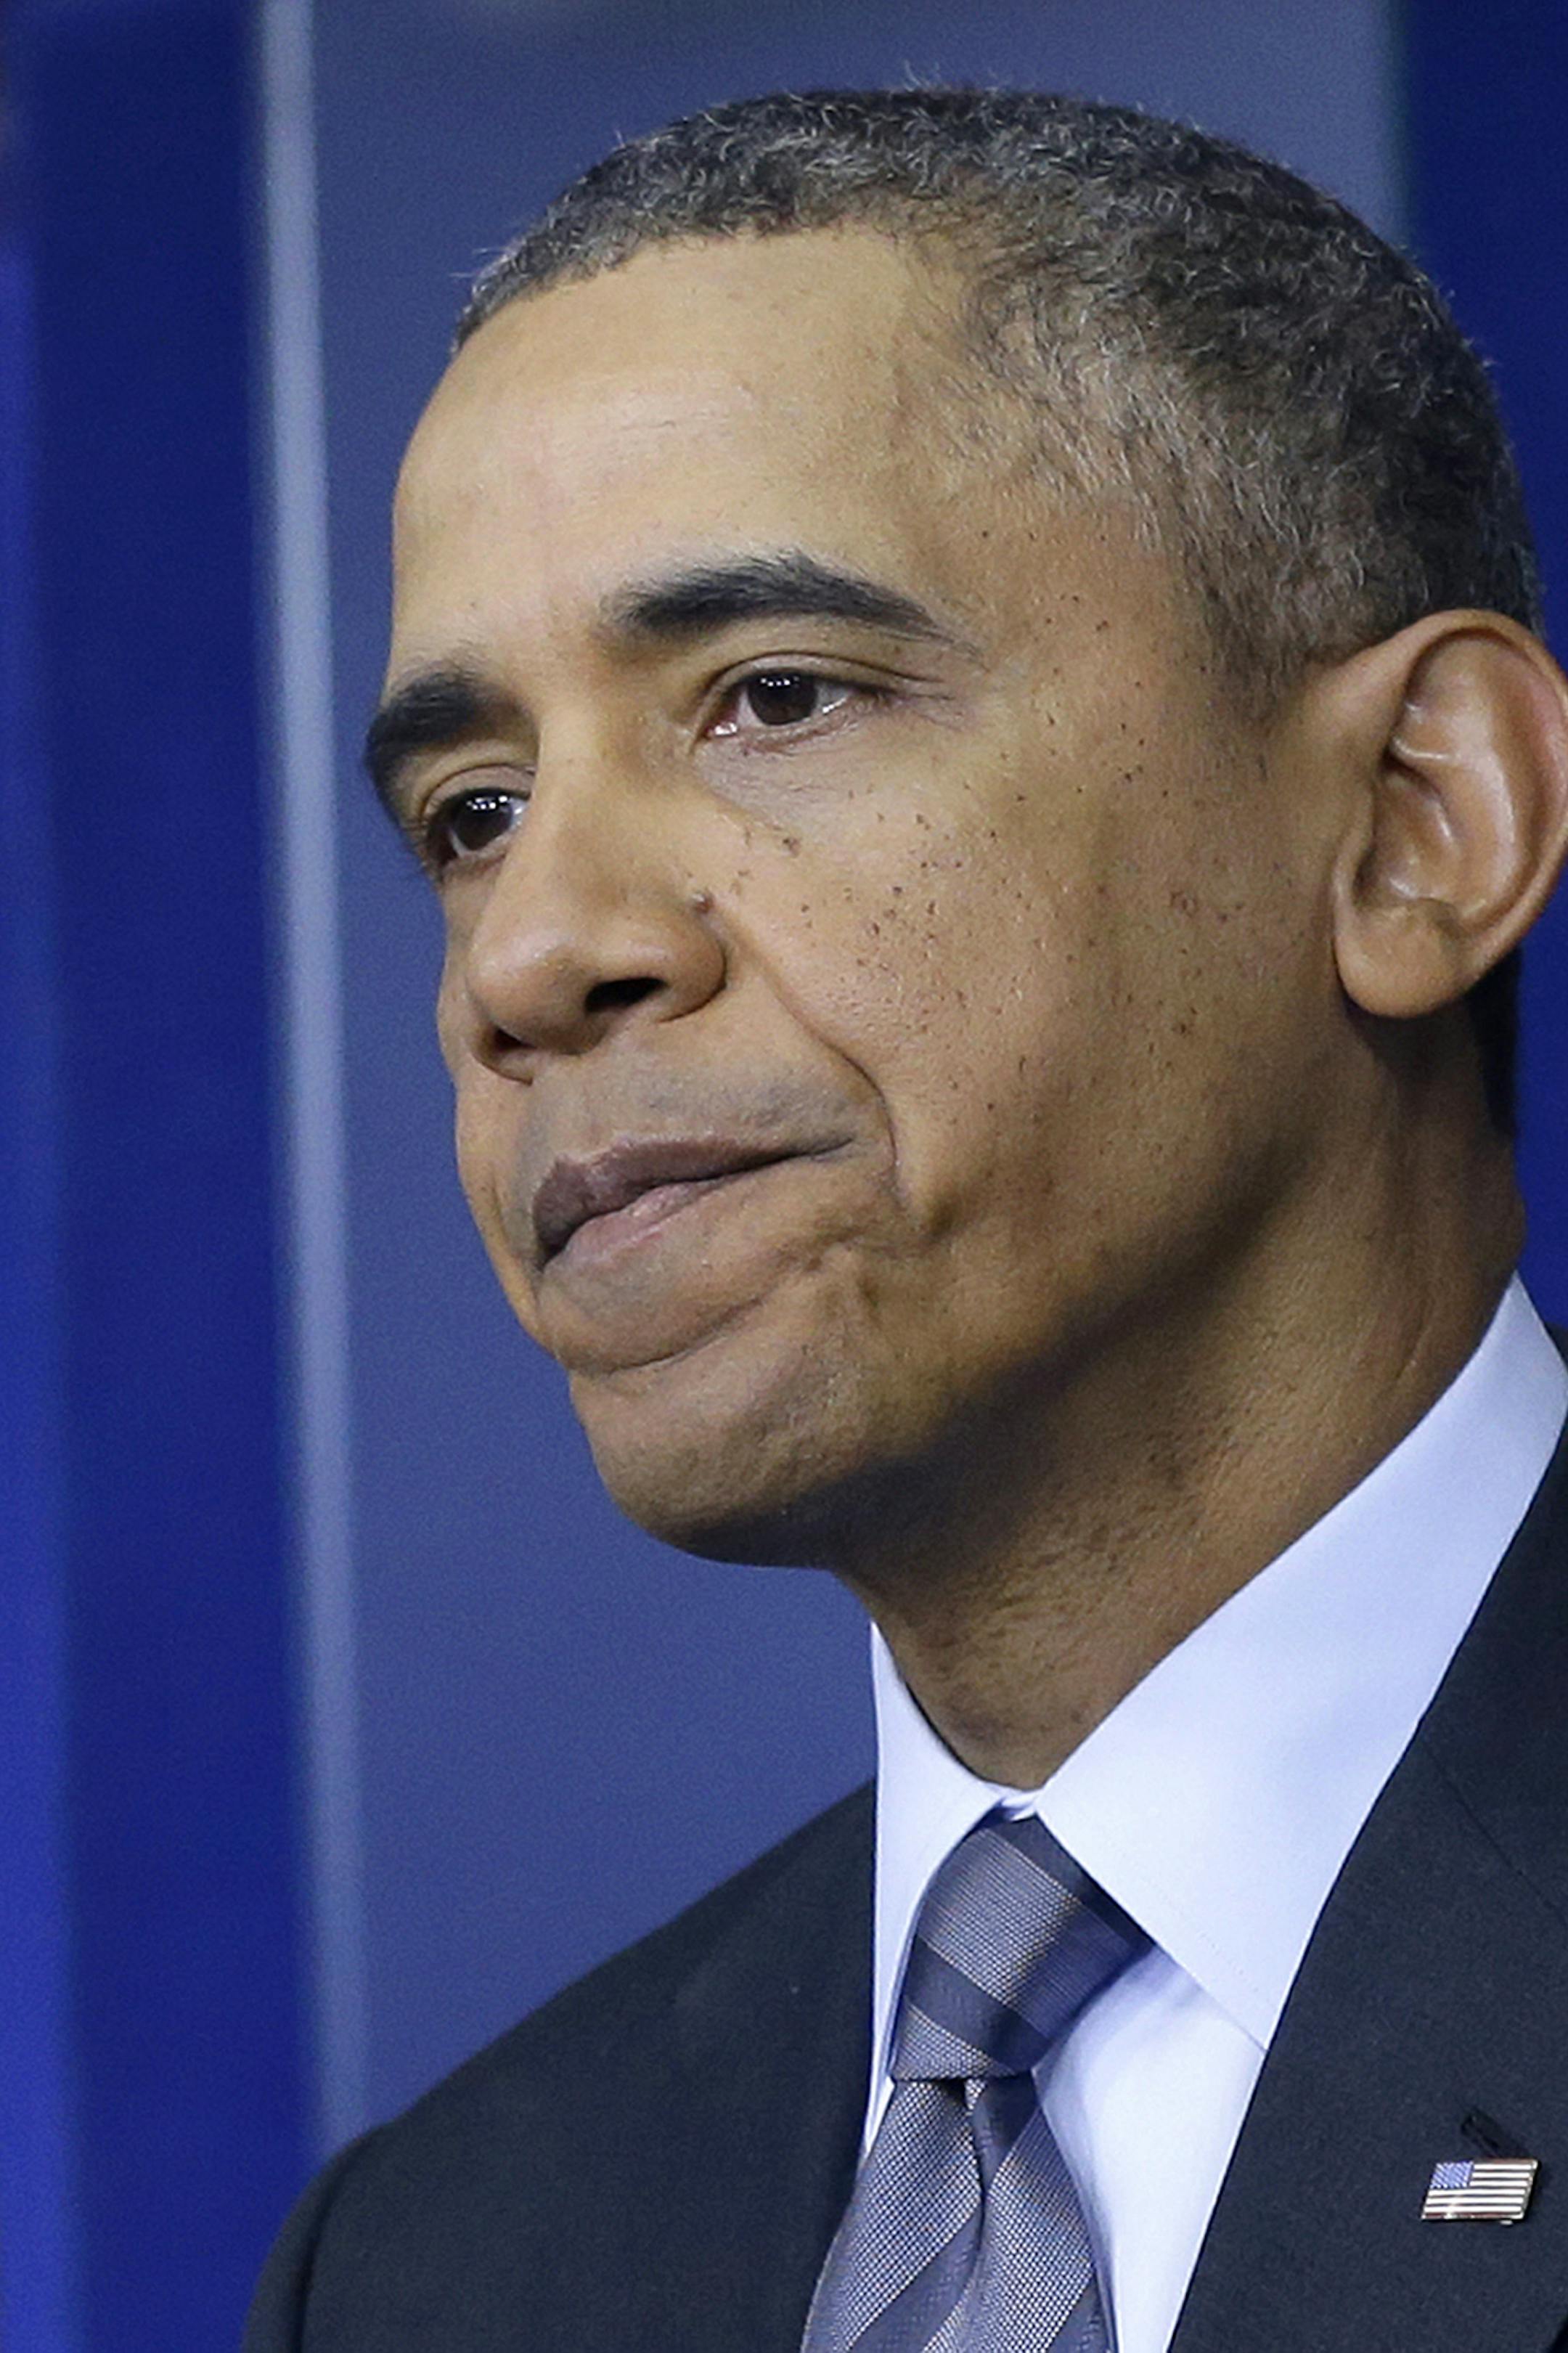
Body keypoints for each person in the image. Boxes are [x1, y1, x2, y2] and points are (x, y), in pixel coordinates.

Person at [246, 86, 1568, 2353]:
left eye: (773, 697)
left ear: (1415, 824)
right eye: (473, 810)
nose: (529, 954)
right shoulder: (434, 2265)